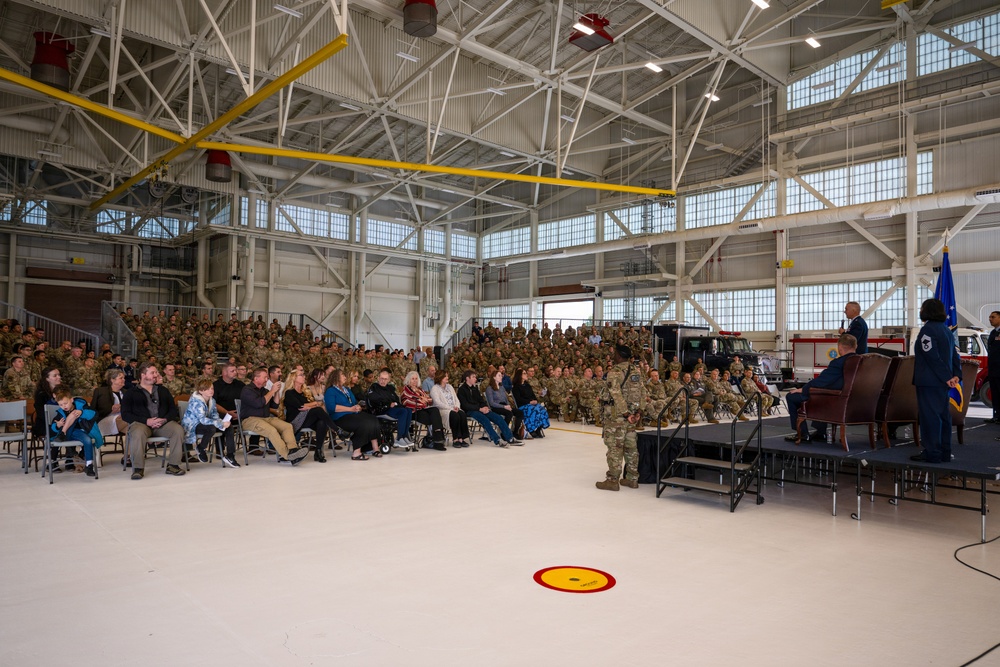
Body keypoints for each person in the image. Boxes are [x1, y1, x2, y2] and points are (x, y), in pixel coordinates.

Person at [911, 298, 962, 463]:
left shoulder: (928, 330)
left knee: (930, 417)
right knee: (943, 416)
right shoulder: (946, 330)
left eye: (922, 308)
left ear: (928, 311)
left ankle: (932, 453)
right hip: (942, 382)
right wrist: (956, 375)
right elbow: (955, 355)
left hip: (929, 381)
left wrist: (947, 377)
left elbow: (931, 356)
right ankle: (944, 452)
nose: (920, 310)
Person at [784, 334, 858, 442]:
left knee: (791, 396)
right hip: (855, 400)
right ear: (855, 346)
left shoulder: (838, 363)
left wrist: (803, 389)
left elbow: (821, 381)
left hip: (836, 400)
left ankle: (802, 433)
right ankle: (820, 432)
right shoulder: (862, 362)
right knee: (822, 394)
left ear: (840, 347)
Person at [121, 362, 187, 479]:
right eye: (153, 372)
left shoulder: (163, 391)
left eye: (156, 372)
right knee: (137, 432)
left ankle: (173, 465)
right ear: (142, 375)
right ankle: (138, 468)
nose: (156, 375)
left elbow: (173, 410)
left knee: (178, 430)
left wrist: (164, 419)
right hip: (142, 424)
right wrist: (146, 421)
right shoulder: (131, 393)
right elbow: (125, 415)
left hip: (162, 424)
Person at [596, 345, 646, 491]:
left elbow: (616, 394)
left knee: (615, 447)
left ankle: (612, 480)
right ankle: (632, 479)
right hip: (633, 416)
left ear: (618, 356)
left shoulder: (615, 372)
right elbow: (643, 392)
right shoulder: (636, 371)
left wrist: (625, 414)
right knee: (631, 447)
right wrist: (639, 412)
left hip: (617, 417)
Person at [239, 368, 309, 465]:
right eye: (265, 377)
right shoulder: (247, 390)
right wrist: (272, 391)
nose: (266, 379)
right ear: (256, 378)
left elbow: (274, 405)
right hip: (250, 419)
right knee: (271, 430)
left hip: (266, 418)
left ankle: (293, 450)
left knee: (287, 426)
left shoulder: (264, 391)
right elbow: (259, 403)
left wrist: (276, 392)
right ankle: (287, 455)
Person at [324, 368, 381, 460]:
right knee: (361, 423)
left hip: (352, 414)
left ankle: (374, 448)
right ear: (336, 377)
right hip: (339, 417)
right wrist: (350, 409)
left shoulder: (346, 389)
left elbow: (354, 402)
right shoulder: (331, 390)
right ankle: (356, 453)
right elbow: (332, 407)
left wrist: (357, 406)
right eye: (342, 375)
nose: (345, 377)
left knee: (373, 419)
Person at [181, 378, 238, 467]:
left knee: (228, 426)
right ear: (200, 391)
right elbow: (202, 419)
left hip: (205, 423)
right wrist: (220, 424)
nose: (211, 391)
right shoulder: (196, 401)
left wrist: (222, 422)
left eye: (212, 388)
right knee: (211, 428)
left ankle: (230, 455)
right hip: (192, 425)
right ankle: (201, 448)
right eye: (207, 389)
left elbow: (214, 415)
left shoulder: (212, 400)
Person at [281, 369, 336, 462]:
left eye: (304, 375)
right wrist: (314, 403)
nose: (304, 377)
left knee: (322, 422)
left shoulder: (304, 392)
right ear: (294, 378)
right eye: (301, 375)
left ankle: (318, 451)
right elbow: (301, 406)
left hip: (306, 419)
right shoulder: (289, 393)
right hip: (295, 421)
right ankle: (336, 429)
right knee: (318, 410)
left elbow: (307, 407)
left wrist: (310, 405)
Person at [457, 370, 520, 447]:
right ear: (467, 378)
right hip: (470, 411)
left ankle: (510, 438)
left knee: (498, 418)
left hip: (481, 409)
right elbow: (465, 405)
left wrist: (485, 406)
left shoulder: (475, 389)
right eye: (473, 377)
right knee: (485, 420)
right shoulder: (461, 390)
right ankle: (497, 440)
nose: (475, 379)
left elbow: (481, 400)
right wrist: (479, 409)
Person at [50, 387, 103, 478]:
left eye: (66, 403)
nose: (64, 406)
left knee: (87, 440)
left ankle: (89, 466)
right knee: (73, 415)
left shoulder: (82, 406)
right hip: (69, 434)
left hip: (79, 432)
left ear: (71, 400)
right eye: (61, 405)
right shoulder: (60, 412)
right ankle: (63, 433)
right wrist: (58, 425)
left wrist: (81, 412)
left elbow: (94, 415)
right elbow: (52, 426)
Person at [366, 369, 414, 448]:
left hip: (391, 409)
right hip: (381, 410)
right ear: (378, 378)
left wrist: (394, 403)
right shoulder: (374, 387)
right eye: (381, 378)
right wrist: (389, 404)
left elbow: (396, 399)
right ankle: (399, 438)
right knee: (403, 412)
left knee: (408, 410)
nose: (383, 381)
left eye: (385, 379)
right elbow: (374, 399)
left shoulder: (390, 388)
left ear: (388, 380)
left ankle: (405, 436)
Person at [401, 371, 446, 450]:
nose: (415, 381)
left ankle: (437, 439)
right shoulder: (405, 390)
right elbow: (406, 402)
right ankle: (438, 439)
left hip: (424, 409)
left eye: (416, 379)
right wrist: (421, 401)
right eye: (413, 379)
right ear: (408, 380)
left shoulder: (420, 390)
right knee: (433, 418)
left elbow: (430, 400)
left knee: (435, 410)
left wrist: (423, 400)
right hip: (414, 412)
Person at [430, 370, 471, 447]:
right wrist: (450, 408)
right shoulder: (435, 388)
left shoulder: (450, 387)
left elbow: (456, 399)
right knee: (454, 415)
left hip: (453, 408)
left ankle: (461, 438)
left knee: (462, 414)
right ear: (440, 377)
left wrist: (457, 407)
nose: (447, 377)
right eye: (445, 376)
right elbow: (437, 403)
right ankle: (455, 439)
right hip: (443, 410)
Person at [485, 369, 525, 444]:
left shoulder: (502, 387)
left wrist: (508, 405)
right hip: (496, 407)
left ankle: (515, 432)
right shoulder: (489, 388)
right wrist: (504, 407)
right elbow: (491, 403)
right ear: (494, 377)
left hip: (504, 405)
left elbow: (505, 398)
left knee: (519, 412)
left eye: (501, 375)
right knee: (509, 413)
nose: (501, 377)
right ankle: (504, 433)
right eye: (499, 375)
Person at [511, 368, 550, 437]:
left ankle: (539, 428)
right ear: (520, 376)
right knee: (534, 410)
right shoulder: (516, 387)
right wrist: (529, 402)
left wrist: (535, 400)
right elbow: (518, 399)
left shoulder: (527, 386)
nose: (526, 375)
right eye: (524, 373)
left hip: (531, 404)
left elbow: (533, 395)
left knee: (542, 410)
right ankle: (531, 429)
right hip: (523, 405)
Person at [93, 368, 128, 437]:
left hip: (123, 420)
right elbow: (95, 409)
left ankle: (131, 448)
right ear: (112, 380)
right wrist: (111, 410)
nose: (124, 379)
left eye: (124, 378)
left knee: (133, 432)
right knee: (134, 423)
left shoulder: (126, 392)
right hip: (105, 420)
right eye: (121, 378)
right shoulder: (101, 391)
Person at [986, 310, 1000, 424]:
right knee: (994, 393)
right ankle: (996, 415)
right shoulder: (992, 333)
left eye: (993, 317)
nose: (990, 319)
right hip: (993, 369)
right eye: (990, 317)